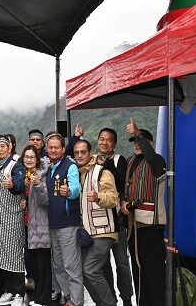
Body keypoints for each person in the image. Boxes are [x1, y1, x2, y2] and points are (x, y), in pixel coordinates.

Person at [122, 119, 166, 306]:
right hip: (133, 227)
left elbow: (152, 158)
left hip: (151, 226)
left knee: (154, 271)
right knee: (138, 270)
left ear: (151, 143)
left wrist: (137, 132)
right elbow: (125, 189)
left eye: (142, 141)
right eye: (135, 141)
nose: (137, 144)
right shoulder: (130, 161)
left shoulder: (157, 161)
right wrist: (123, 204)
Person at [74, 139, 119, 306]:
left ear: (90, 152)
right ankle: (101, 303)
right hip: (87, 233)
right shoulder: (76, 173)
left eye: (83, 152)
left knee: (90, 270)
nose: (80, 155)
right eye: (77, 152)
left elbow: (113, 198)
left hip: (104, 231)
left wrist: (99, 197)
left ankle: (109, 304)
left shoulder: (102, 171)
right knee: (82, 272)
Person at [0, 135, 25, 306]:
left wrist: (13, 185)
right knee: (2, 254)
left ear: (9, 148)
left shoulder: (16, 165)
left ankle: (19, 293)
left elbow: (20, 185)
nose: (0, 149)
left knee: (14, 255)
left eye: (3, 146)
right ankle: (9, 290)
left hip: (12, 216)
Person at [96, 127, 134, 306]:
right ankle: (110, 298)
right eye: (102, 139)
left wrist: (107, 164)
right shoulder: (93, 160)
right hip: (100, 221)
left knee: (122, 263)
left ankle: (127, 298)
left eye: (109, 140)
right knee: (103, 264)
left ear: (115, 144)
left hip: (117, 220)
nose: (104, 143)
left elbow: (120, 183)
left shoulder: (120, 160)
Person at [45, 132, 84, 306]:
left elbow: (76, 188)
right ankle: (68, 298)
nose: (53, 150)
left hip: (68, 224)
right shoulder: (48, 168)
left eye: (56, 147)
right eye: (50, 147)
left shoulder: (70, 166)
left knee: (71, 267)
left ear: (63, 149)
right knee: (59, 266)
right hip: (52, 225)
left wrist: (69, 191)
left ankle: (76, 302)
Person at [20, 145, 51, 306]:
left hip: (40, 225)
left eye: (32, 157)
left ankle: (43, 299)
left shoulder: (41, 175)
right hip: (27, 224)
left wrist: (38, 184)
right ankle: (36, 297)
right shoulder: (24, 175)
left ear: (37, 159)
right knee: (33, 264)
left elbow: (45, 200)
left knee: (43, 264)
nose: (29, 160)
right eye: (26, 157)